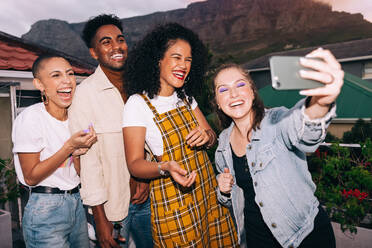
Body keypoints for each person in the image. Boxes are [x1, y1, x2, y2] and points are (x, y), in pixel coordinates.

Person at [122, 23, 238, 247]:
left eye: (188, 60)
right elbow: (134, 164)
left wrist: (206, 136)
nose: (183, 65)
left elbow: (212, 136)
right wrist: (165, 167)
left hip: (208, 195)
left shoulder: (185, 97)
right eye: (176, 57)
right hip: (173, 200)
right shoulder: (138, 104)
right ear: (158, 60)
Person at [213, 48, 343, 248]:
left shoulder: (276, 121)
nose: (233, 94)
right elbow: (232, 199)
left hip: (306, 237)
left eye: (240, 85)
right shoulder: (222, 145)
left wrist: (321, 102)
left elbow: (303, 132)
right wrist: (223, 190)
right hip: (256, 239)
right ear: (218, 104)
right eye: (223, 89)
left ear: (252, 92)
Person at [68, 14, 152, 248]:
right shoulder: (85, 95)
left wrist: (144, 176)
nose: (116, 46)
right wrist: (99, 217)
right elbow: (87, 160)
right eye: (106, 42)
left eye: (120, 39)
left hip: (150, 198)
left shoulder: (142, 87)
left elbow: (151, 140)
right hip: (113, 209)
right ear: (94, 52)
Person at [12, 54, 97, 247]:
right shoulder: (31, 118)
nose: (67, 80)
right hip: (46, 208)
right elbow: (31, 177)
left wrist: (78, 155)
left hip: (76, 202)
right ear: (40, 84)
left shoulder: (77, 117)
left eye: (70, 73)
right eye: (56, 75)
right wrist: (69, 147)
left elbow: (79, 173)